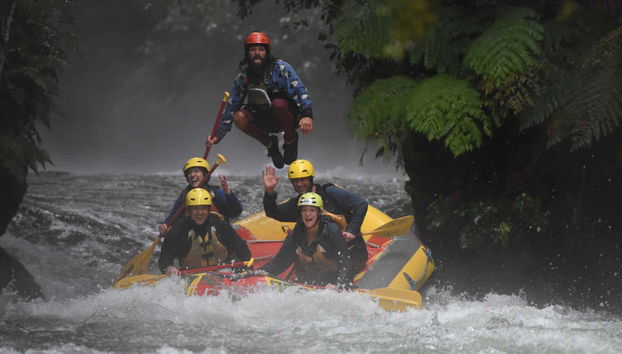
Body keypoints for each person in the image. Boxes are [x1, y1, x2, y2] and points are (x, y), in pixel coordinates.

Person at [206, 31, 314, 169]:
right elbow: (231, 106)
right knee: (238, 117)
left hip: (286, 115)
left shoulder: (281, 68)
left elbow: (299, 89)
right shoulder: (243, 78)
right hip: (262, 119)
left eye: (261, 49)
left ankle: (290, 139)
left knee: (278, 104)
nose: (257, 53)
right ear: (247, 53)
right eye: (253, 50)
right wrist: (218, 135)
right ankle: (270, 143)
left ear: (267, 52)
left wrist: (307, 115)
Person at [262, 159, 369, 272]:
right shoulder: (299, 203)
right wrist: (269, 192)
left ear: (311, 178)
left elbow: (361, 204)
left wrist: (352, 230)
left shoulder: (331, 192)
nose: (299, 184)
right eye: (295, 181)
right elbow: (274, 212)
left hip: (349, 253)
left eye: (303, 179)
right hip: (323, 259)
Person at [260, 192, 353, 287]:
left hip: (332, 282)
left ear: (319, 213)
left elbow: (346, 263)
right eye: (304, 210)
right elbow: (280, 263)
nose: (307, 214)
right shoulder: (296, 234)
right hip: (305, 283)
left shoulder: (332, 231)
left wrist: (340, 285)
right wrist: (257, 273)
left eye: (312, 210)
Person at [158, 188, 251, 275]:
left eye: (203, 208)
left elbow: (241, 248)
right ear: (189, 210)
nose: (200, 213)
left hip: (222, 271)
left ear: (208, 209)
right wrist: (169, 267)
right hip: (191, 275)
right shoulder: (178, 230)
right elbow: (164, 259)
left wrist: (245, 269)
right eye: (195, 208)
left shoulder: (219, 224)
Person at [159, 157, 242, 235]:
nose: (192, 175)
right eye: (190, 172)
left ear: (205, 175)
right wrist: (165, 227)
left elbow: (236, 212)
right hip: (194, 239)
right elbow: (173, 217)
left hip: (219, 237)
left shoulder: (216, 192)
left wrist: (228, 193)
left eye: (196, 171)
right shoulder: (185, 195)